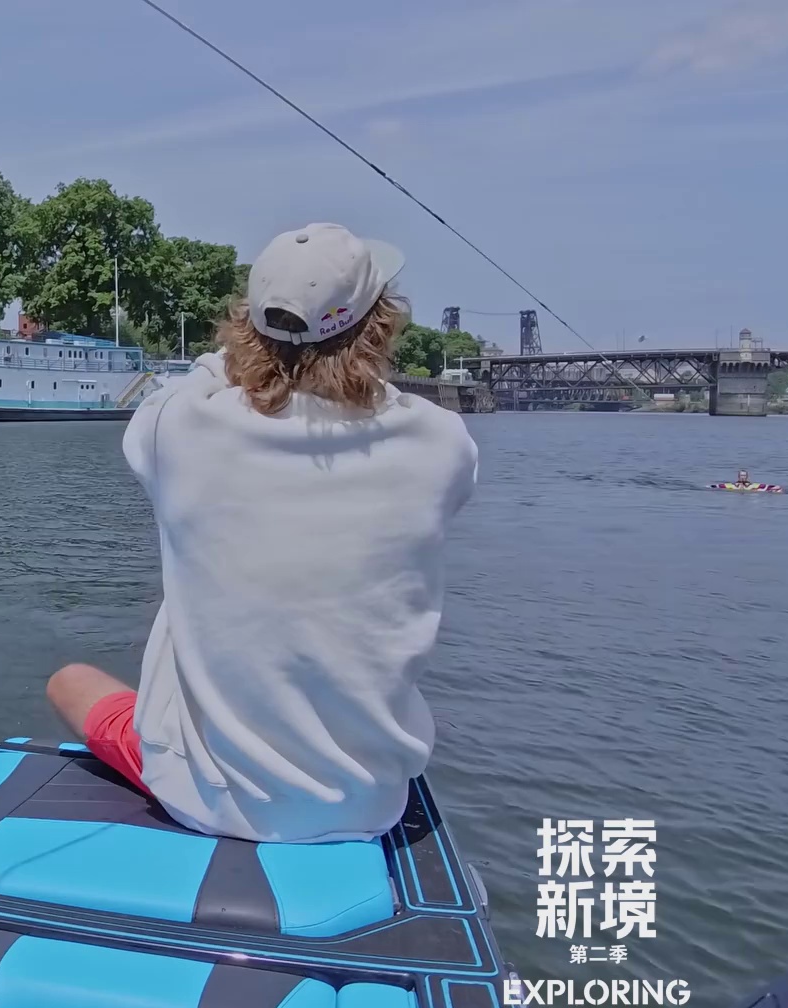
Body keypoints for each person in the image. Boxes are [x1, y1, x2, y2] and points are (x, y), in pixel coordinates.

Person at [47, 223, 479, 845]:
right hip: (368, 802)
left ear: (246, 325)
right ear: (379, 326)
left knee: (69, 681)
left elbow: (199, 379)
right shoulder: (441, 443)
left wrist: (245, 361)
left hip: (201, 798)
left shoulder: (177, 425)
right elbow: (385, 407)